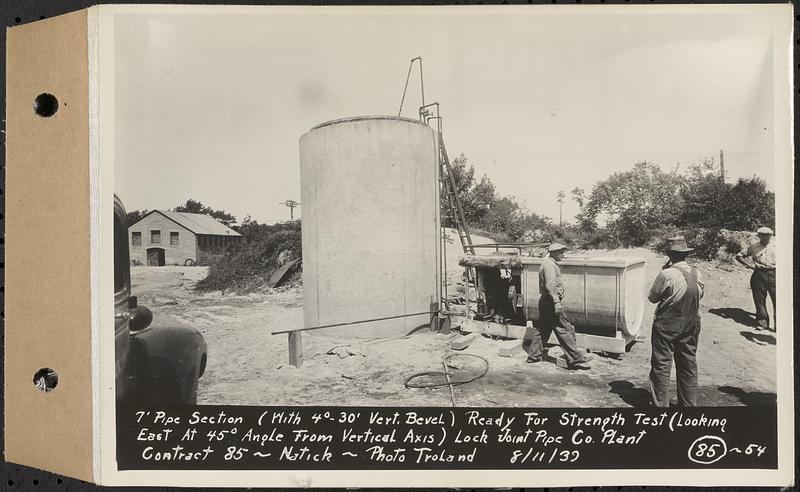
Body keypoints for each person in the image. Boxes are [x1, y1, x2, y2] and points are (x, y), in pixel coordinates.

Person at [647, 236, 704, 407]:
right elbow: (699, 295)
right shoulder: (696, 272)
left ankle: (660, 407)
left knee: (661, 366)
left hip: (667, 325)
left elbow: (652, 298)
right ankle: (688, 405)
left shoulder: (666, 274)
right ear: (686, 254)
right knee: (688, 365)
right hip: (691, 323)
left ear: (670, 255)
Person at [527, 243, 591, 370]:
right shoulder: (550, 265)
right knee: (564, 328)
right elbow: (550, 285)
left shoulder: (547, 263)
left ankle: (533, 356)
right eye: (561, 252)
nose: (563, 255)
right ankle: (575, 359)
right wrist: (556, 302)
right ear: (554, 252)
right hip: (551, 301)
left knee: (543, 329)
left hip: (546, 301)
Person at [735, 226, 776, 330]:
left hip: (775, 274)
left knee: (778, 300)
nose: (766, 237)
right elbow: (739, 256)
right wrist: (749, 265)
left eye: (768, 235)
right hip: (759, 274)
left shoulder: (777, 246)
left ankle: (779, 325)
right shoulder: (753, 247)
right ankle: (762, 323)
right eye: (763, 235)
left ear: (771, 236)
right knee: (759, 299)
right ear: (759, 236)